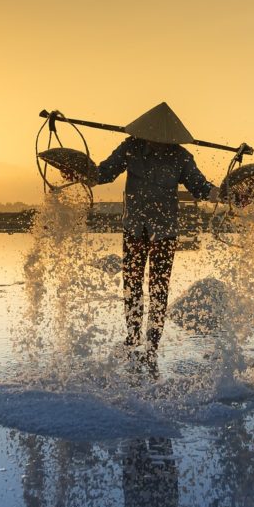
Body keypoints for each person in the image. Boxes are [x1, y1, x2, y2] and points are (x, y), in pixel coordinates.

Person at [94, 103, 220, 368]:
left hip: (164, 233)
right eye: (154, 139)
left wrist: (222, 194)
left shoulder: (181, 157)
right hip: (134, 229)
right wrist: (83, 173)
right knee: (132, 286)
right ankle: (132, 338)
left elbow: (199, 187)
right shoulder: (130, 147)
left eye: (163, 141)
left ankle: (152, 347)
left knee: (159, 289)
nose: (158, 144)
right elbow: (104, 173)